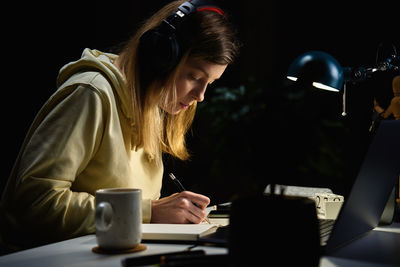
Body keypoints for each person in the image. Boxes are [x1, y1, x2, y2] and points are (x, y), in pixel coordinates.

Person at [0, 0, 240, 253]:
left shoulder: (150, 106)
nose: (200, 96)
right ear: (161, 57)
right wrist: (145, 211)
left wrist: (153, 213)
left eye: (209, 83)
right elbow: (32, 203)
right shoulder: (91, 94)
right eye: (194, 76)